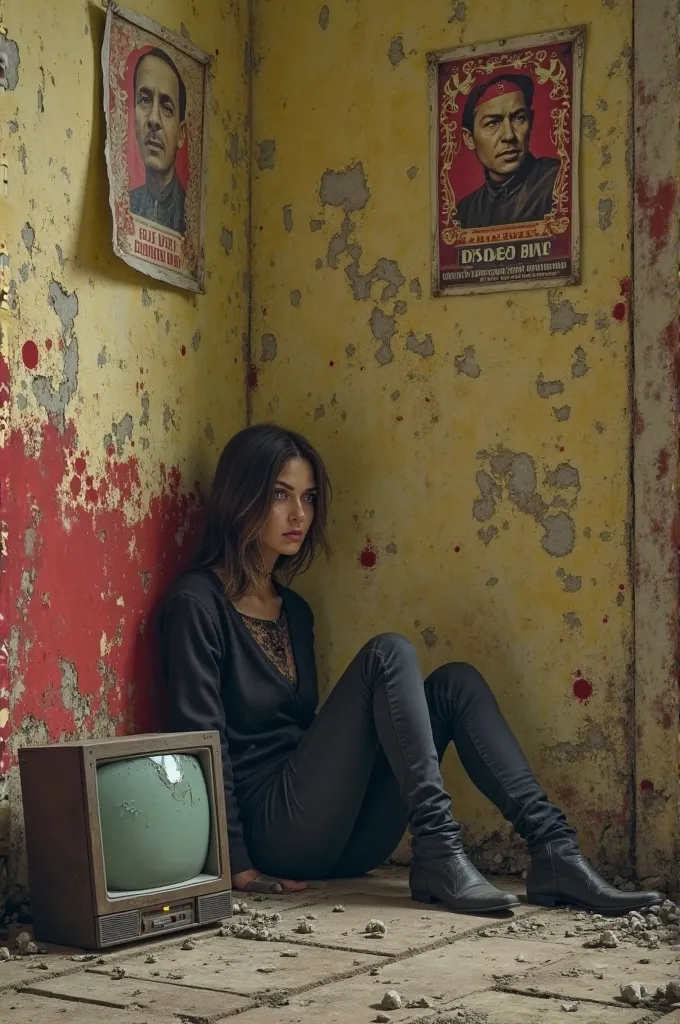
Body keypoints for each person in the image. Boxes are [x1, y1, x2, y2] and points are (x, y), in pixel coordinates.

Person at [159, 424, 664, 915]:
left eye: (309, 498)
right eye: (280, 495)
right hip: (275, 830)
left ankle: (555, 851)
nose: (299, 514)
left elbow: (306, 734)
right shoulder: (196, 604)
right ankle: (440, 849)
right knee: (388, 652)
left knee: (454, 684)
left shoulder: (295, 610)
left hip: (348, 841)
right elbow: (201, 742)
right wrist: (237, 864)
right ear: (240, 497)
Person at [457, 73, 560, 230]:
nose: (509, 135)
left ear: (530, 122)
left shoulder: (559, 181)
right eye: (492, 123)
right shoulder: (465, 212)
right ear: (469, 138)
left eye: (518, 118)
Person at [129, 47, 187, 234]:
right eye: (144, 100)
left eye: (167, 107)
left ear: (181, 134)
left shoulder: (188, 216)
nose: (153, 119)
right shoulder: (127, 204)